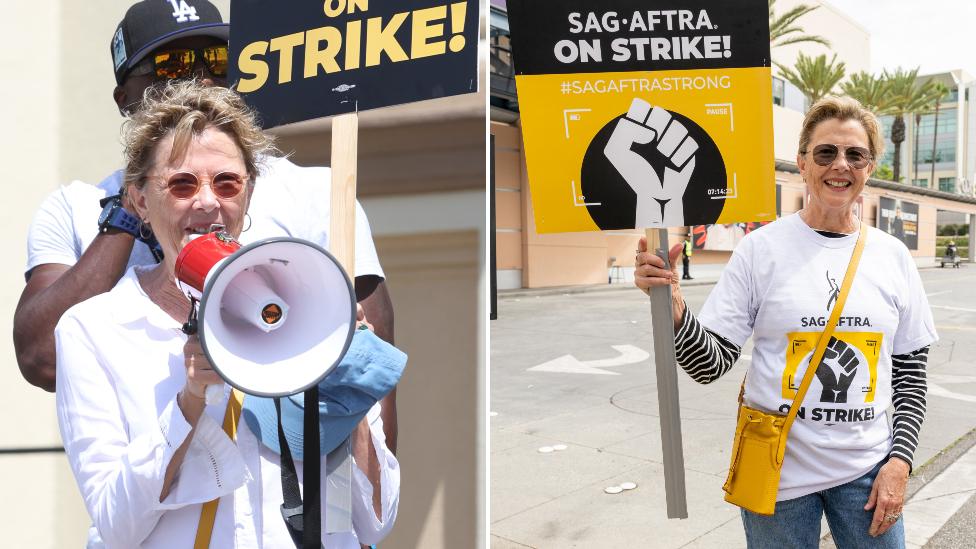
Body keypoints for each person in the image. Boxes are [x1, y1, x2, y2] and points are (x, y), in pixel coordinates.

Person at [14, 0, 398, 451]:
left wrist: (373, 504)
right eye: (171, 64)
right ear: (125, 99)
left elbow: (371, 365)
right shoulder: (74, 207)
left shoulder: (314, 192)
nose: (198, 79)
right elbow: (43, 359)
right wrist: (132, 207)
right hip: (150, 487)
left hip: (278, 485)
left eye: (215, 60)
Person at [55, 81, 400, 548]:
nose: (207, 202)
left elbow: (374, 520)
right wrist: (189, 404)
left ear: (249, 192)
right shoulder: (95, 329)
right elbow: (116, 525)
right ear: (139, 200)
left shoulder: (303, 305)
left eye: (227, 182)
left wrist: (346, 390)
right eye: (181, 184)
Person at [634, 96, 936, 547]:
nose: (840, 165)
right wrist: (673, 303)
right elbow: (708, 365)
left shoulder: (893, 256)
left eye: (855, 154)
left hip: (868, 471)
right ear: (801, 162)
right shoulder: (761, 250)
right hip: (776, 473)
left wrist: (900, 462)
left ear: (869, 167)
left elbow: (911, 375)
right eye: (826, 152)